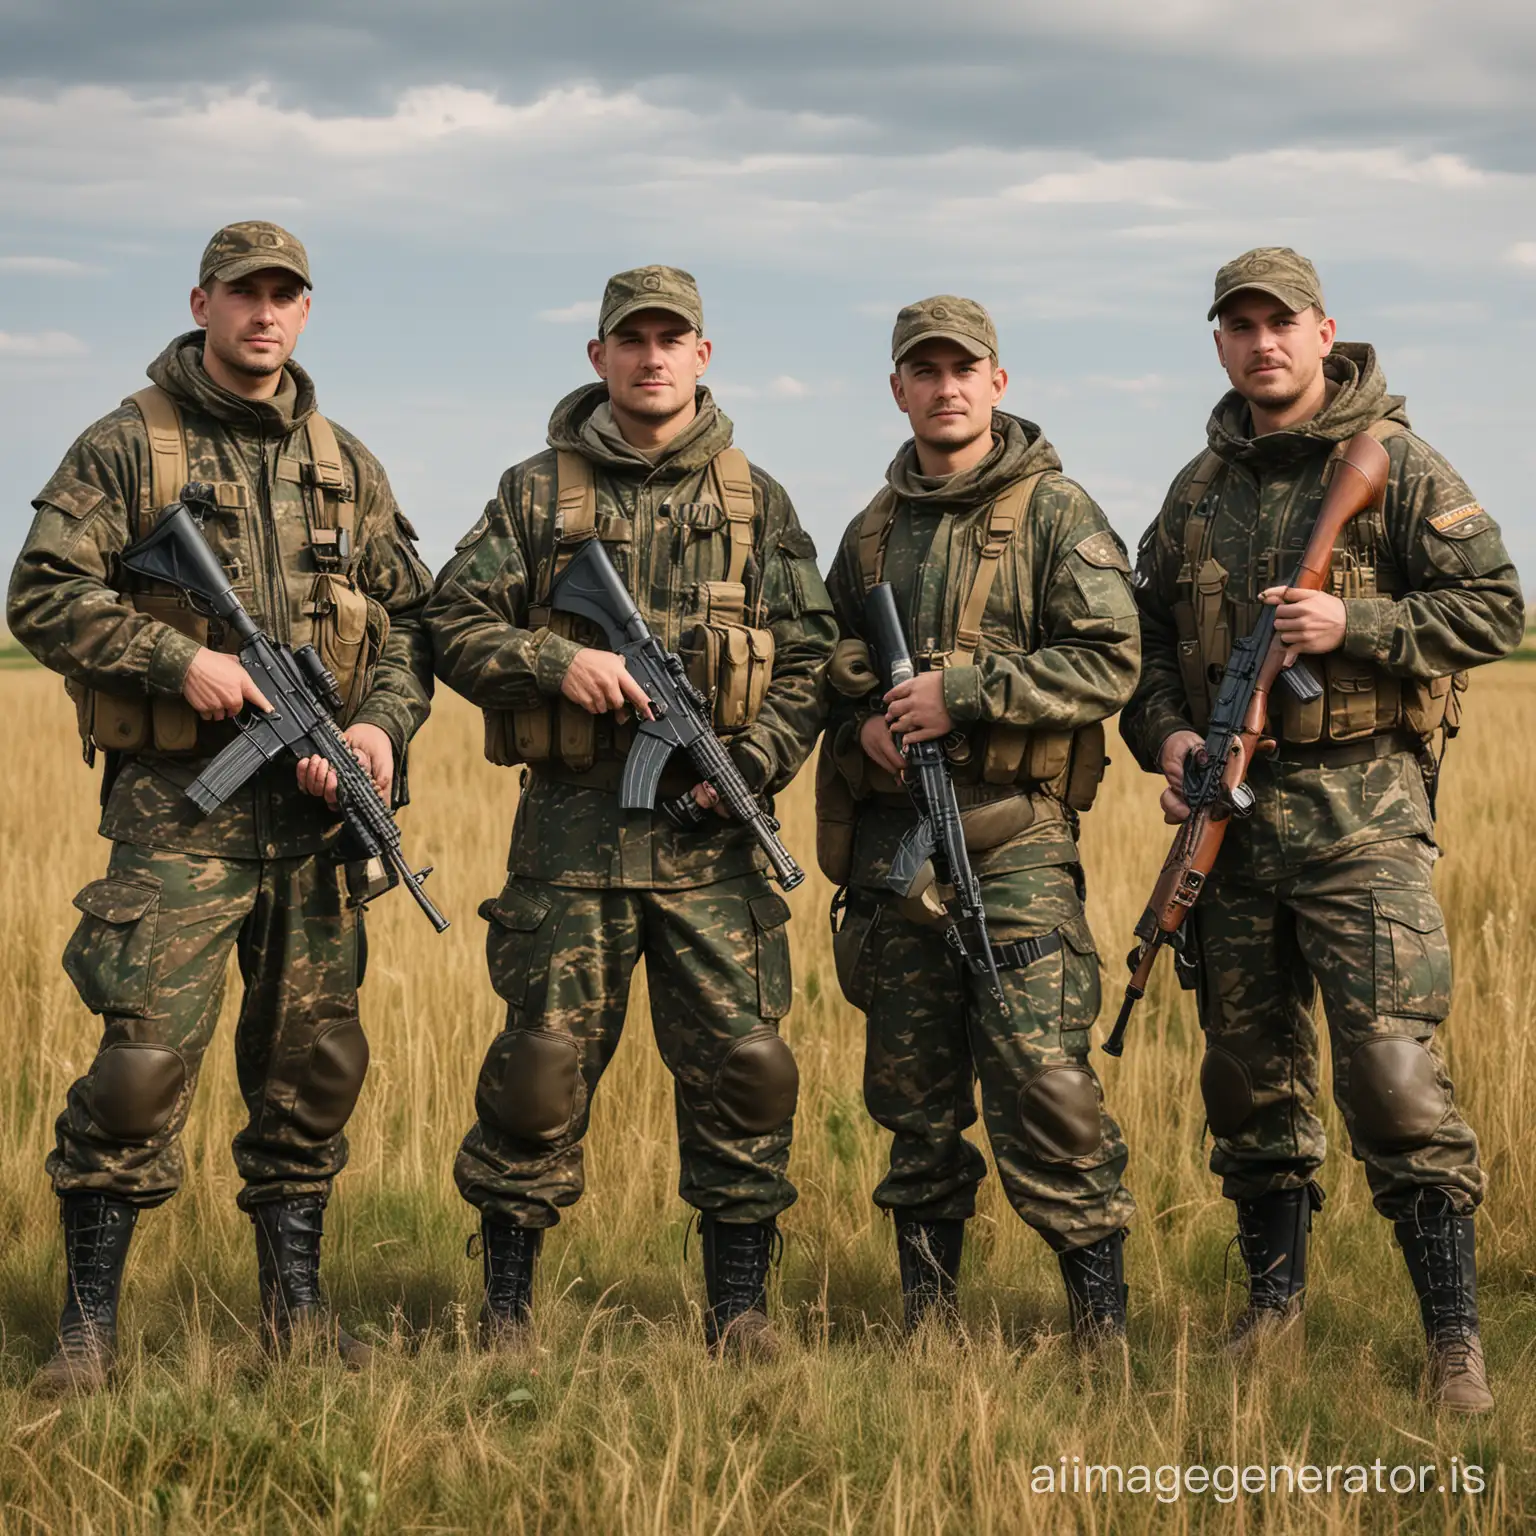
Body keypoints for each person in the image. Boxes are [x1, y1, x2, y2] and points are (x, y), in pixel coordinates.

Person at [7, 221, 435, 1393]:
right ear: (202, 301)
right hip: (176, 824)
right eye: (242, 293)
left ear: (305, 312)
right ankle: (86, 1333)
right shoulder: (128, 447)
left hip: (310, 833)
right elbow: (41, 591)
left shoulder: (347, 465)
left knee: (311, 1069)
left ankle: (295, 1319)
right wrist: (168, 658)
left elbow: (410, 629)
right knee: (140, 1072)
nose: (263, 313)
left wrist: (375, 729)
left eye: (284, 295)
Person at [1119, 247, 1523, 1413]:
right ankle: (1271, 1310)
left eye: (1280, 323)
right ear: (1220, 343)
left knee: (1393, 1080)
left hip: (1364, 824)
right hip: (1233, 832)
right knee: (1249, 1086)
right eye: (1239, 326)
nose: (1262, 344)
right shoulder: (1196, 489)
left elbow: (1494, 606)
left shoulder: (1393, 462)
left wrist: (1358, 621)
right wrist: (1172, 744)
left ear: (1322, 328)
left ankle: (1454, 1342)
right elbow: (1142, 645)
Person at [426, 265, 834, 1358]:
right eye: (632, 340)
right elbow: (449, 623)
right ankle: (506, 1315)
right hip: (569, 849)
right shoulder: (535, 495)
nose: (653, 358)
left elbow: (812, 660)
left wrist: (746, 761)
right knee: (537, 1079)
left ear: (704, 356)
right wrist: (555, 661)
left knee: (747, 1077)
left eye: (674, 339)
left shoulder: (756, 500)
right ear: (599, 356)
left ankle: (739, 1313)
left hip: (714, 854)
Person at [818, 296, 1139, 1347]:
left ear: (998, 383)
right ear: (899, 388)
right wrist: (868, 725)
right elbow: (825, 668)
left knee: (1046, 1084)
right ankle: (928, 1320)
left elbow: (1110, 662)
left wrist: (965, 692)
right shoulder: (869, 531)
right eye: (926, 369)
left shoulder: (1058, 513)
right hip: (898, 850)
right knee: (912, 1097)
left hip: (1014, 842)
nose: (946, 386)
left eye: (966, 369)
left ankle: (1101, 1326)